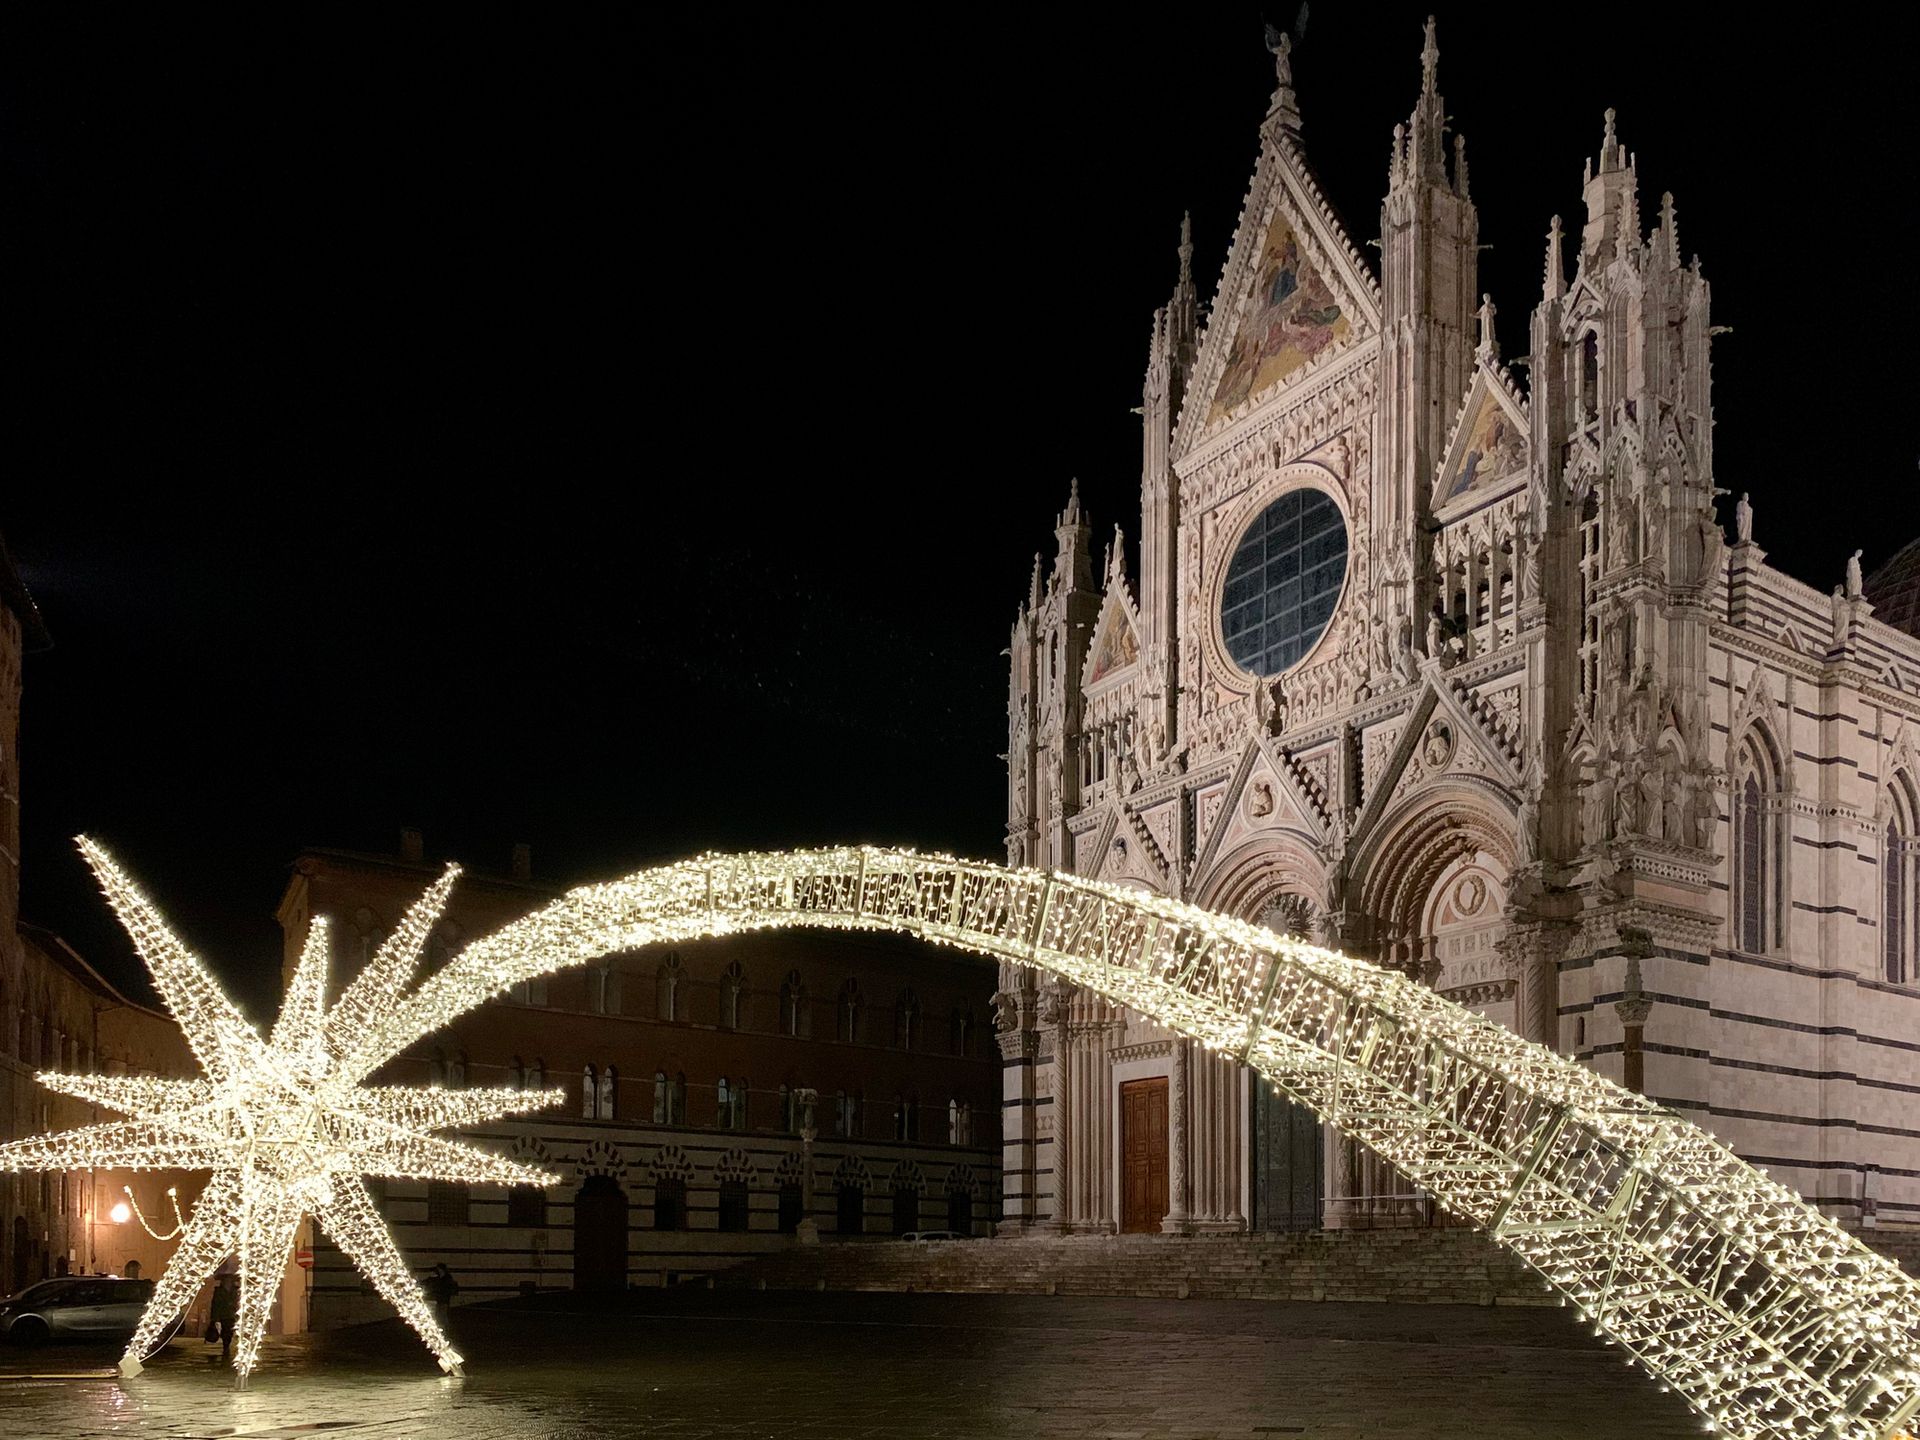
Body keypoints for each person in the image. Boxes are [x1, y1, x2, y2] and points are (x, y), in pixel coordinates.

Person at [208, 1274, 238, 1362]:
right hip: (223, 1315)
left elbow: (237, 1301)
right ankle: (226, 1346)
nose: (228, 1282)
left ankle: (226, 1345)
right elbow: (215, 1304)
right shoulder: (219, 1291)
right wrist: (214, 1318)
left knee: (229, 1331)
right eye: (226, 1280)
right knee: (225, 1331)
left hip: (231, 1314)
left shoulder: (236, 1290)